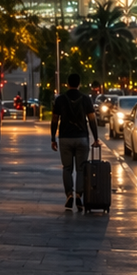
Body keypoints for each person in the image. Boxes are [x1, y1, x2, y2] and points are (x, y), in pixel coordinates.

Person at [50, 73, 97, 210]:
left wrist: (53, 138)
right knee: (81, 168)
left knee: (67, 168)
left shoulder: (60, 100)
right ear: (79, 84)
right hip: (82, 138)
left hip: (65, 138)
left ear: (67, 84)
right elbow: (92, 119)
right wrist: (96, 138)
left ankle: (69, 195)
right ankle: (78, 196)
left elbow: (54, 120)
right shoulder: (85, 99)